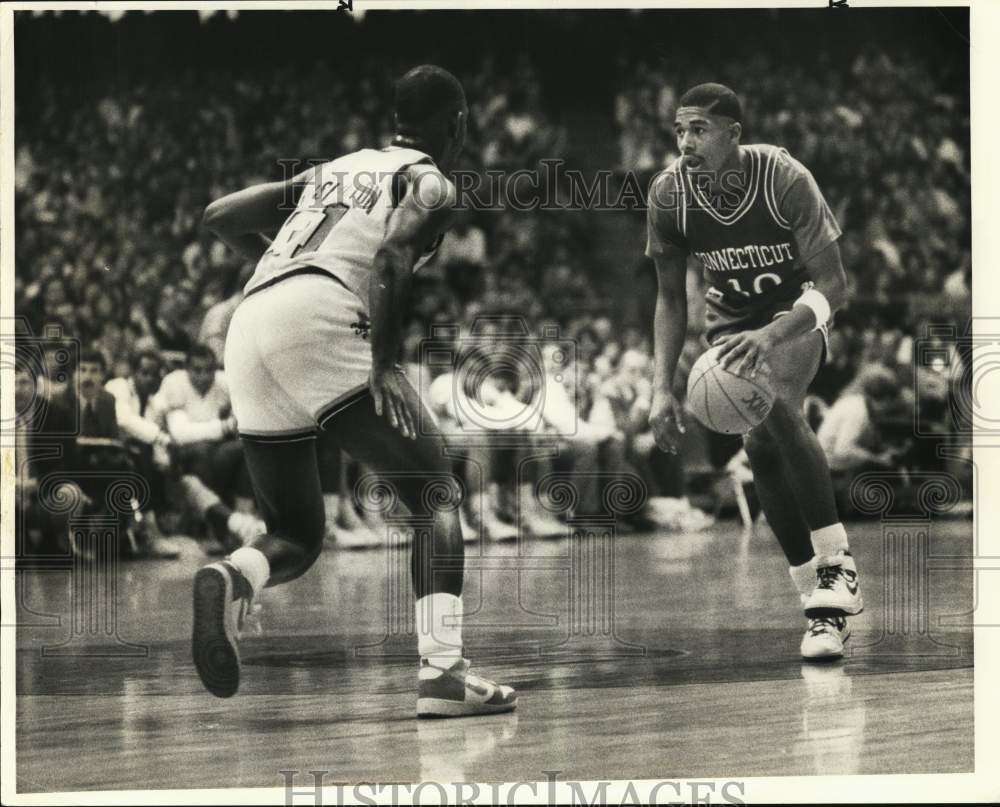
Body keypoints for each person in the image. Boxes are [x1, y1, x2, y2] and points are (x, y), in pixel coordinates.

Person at [195, 65, 516, 717]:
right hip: (321, 315)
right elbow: (394, 259)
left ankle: (233, 575)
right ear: (457, 125)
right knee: (434, 492)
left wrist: (287, 268)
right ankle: (443, 674)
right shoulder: (430, 181)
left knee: (296, 532)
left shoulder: (334, 169)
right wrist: (385, 359)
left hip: (252, 318)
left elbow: (219, 215)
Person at [646, 83, 864, 660]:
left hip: (795, 314)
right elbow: (670, 300)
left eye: (700, 129)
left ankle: (837, 566)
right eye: (680, 130)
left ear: (734, 135)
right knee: (759, 446)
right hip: (729, 323)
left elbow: (835, 286)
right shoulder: (669, 195)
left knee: (775, 404)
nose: (686, 141)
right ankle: (815, 604)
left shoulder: (785, 178)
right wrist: (659, 388)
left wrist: (772, 334)